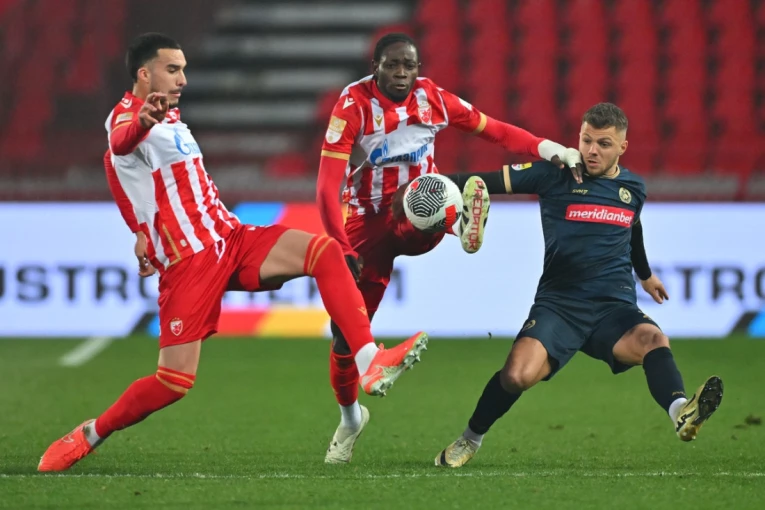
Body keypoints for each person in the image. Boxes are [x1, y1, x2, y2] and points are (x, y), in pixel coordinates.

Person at [37, 33, 429, 473]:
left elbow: (114, 167)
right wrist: (143, 127)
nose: (183, 79)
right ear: (144, 74)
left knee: (324, 251)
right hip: (189, 261)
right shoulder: (128, 117)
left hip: (231, 236)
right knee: (173, 382)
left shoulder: (171, 118)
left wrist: (139, 230)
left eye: (184, 69)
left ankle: (369, 361)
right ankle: (90, 433)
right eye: (173, 69)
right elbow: (120, 146)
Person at [317, 32, 582, 464]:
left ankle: (457, 220)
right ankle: (350, 419)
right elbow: (326, 189)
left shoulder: (433, 99)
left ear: (418, 69)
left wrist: (547, 148)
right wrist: (342, 247)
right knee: (343, 338)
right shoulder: (352, 106)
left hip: (418, 211)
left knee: (427, 192)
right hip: (366, 223)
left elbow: (495, 130)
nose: (401, 73)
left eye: (409, 65)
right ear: (375, 67)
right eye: (392, 65)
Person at [434, 102, 723, 468]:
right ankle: (470, 438)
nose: (591, 150)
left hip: (613, 308)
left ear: (622, 147)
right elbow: (478, 182)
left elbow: (633, 229)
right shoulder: (553, 175)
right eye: (586, 140)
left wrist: (645, 274)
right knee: (517, 376)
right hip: (560, 305)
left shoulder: (633, 188)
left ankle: (681, 411)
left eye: (603, 143)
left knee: (654, 339)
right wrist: (426, 186)